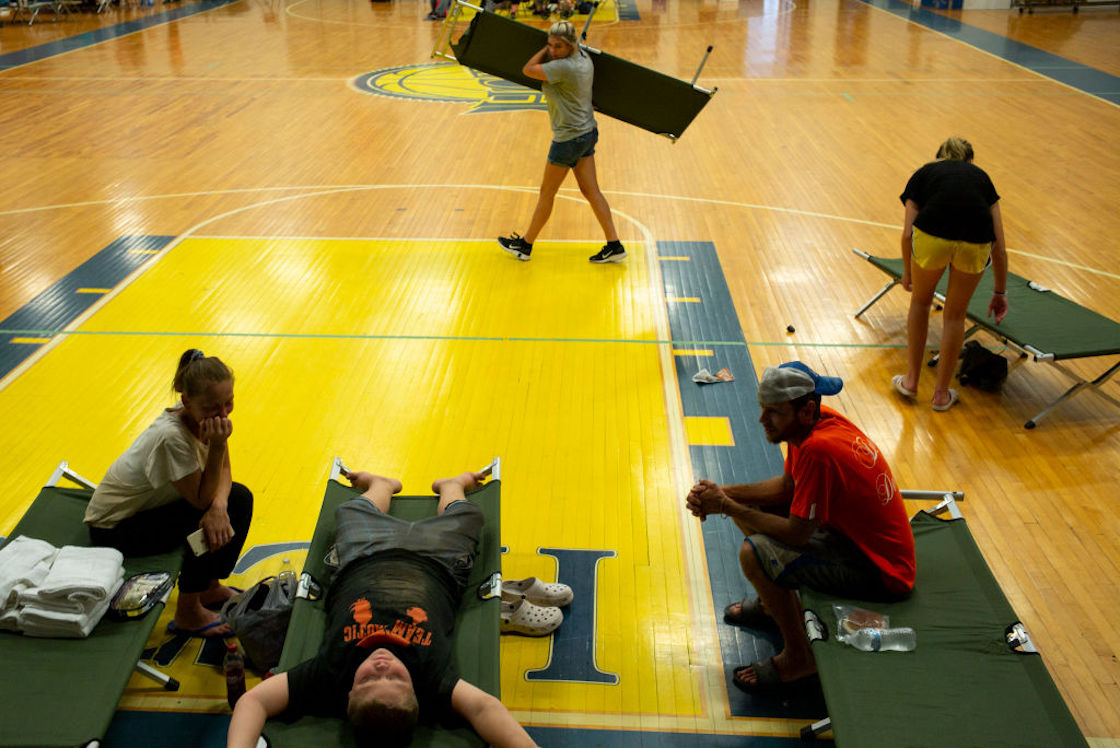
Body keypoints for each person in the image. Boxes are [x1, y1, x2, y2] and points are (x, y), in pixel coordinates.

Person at [227, 469, 537, 748]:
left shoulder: (330, 674)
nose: (382, 668)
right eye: (397, 679)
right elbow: (484, 708)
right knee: (469, 516)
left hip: (363, 555)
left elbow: (254, 702)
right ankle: (452, 486)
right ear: (416, 693)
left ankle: (381, 485)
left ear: (348, 693)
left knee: (350, 511)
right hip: (438, 561)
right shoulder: (432, 680)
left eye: (367, 681)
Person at [685, 363, 916, 691]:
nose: (762, 420)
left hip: (881, 572)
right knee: (751, 509)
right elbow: (787, 488)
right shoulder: (816, 423)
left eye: (774, 412)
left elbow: (797, 533)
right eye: (763, 409)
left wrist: (725, 505)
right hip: (855, 541)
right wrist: (723, 493)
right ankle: (772, 605)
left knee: (754, 554)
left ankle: (800, 657)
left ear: (805, 410)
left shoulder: (817, 449)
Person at [85, 349, 253, 637]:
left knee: (237, 499)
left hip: (147, 512)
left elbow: (224, 468)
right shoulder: (171, 437)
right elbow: (201, 499)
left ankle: (209, 588)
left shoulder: (201, 414)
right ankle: (188, 612)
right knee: (203, 518)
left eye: (229, 402)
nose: (223, 414)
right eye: (214, 407)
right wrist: (213, 501)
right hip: (113, 530)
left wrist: (219, 506)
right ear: (186, 401)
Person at [894, 136, 1009, 411]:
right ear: (970, 160)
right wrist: (1000, 292)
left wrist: (907, 272)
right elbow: (1000, 247)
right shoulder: (982, 178)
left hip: (932, 235)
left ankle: (911, 381)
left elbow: (908, 234)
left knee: (921, 303)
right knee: (955, 316)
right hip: (975, 242)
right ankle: (941, 395)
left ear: (939, 156)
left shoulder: (925, 174)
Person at [497, 21, 626, 264]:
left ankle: (525, 246)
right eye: (550, 45)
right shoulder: (584, 58)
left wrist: (543, 49)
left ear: (570, 45)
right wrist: (553, 46)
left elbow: (528, 69)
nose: (553, 51)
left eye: (558, 46)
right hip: (587, 132)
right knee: (591, 191)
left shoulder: (563, 67)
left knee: (547, 193)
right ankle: (614, 245)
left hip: (568, 139)